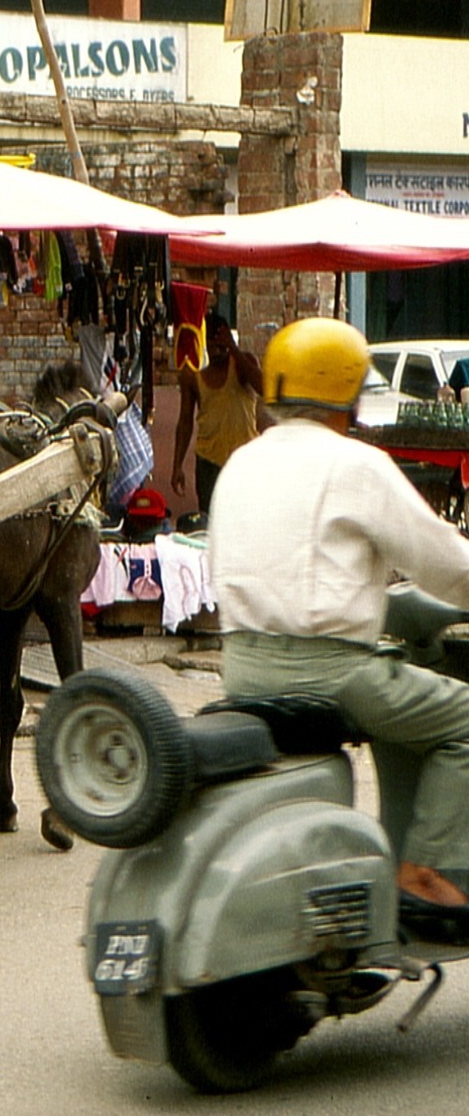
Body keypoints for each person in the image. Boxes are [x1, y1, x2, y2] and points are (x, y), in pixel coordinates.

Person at [209, 317, 469, 928]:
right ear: (344, 396)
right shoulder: (358, 465)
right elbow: (445, 565)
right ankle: (423, 870)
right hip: (331, 677)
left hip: (241, 671)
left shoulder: (241, 463)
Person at [171, 313, 265, 513]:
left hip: (244, 459)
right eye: (211, 346)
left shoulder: (243, 363)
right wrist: (177, 465)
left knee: (246, 516)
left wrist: (234, 349)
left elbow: (263, 388)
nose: (215, 352)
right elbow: (185, 421)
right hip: (208, 462)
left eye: (220, 346)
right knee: (209, 520)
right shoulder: (192, 374)